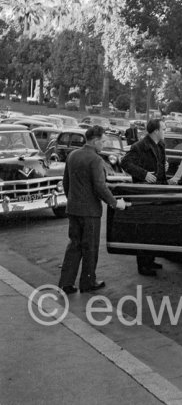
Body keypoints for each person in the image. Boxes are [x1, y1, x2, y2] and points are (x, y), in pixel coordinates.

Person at [58, 125, 126, 294]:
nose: (103, 145)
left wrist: (73, 200)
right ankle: (88, 282)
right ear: (95, 141)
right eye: (102, 142)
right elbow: (100, 187)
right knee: (90, 248)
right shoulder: (95, 160)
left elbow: (66, 182)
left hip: (73, 209)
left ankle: (66, 283)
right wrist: (114, 203)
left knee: (74, 245)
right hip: (90, 212)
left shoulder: (73, 155)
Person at [121, 118, 167, 276]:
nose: (164, 132)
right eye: (163, 129)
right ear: (156, 131)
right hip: (143, 193)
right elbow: (125, 163)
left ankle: (151, 260)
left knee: (154, 229)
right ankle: (143, 265)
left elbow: (158, 165)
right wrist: (144, 174)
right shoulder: (140, 146)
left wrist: (164, 167)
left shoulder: (160, 145)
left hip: (157, 192)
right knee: (144, 230)